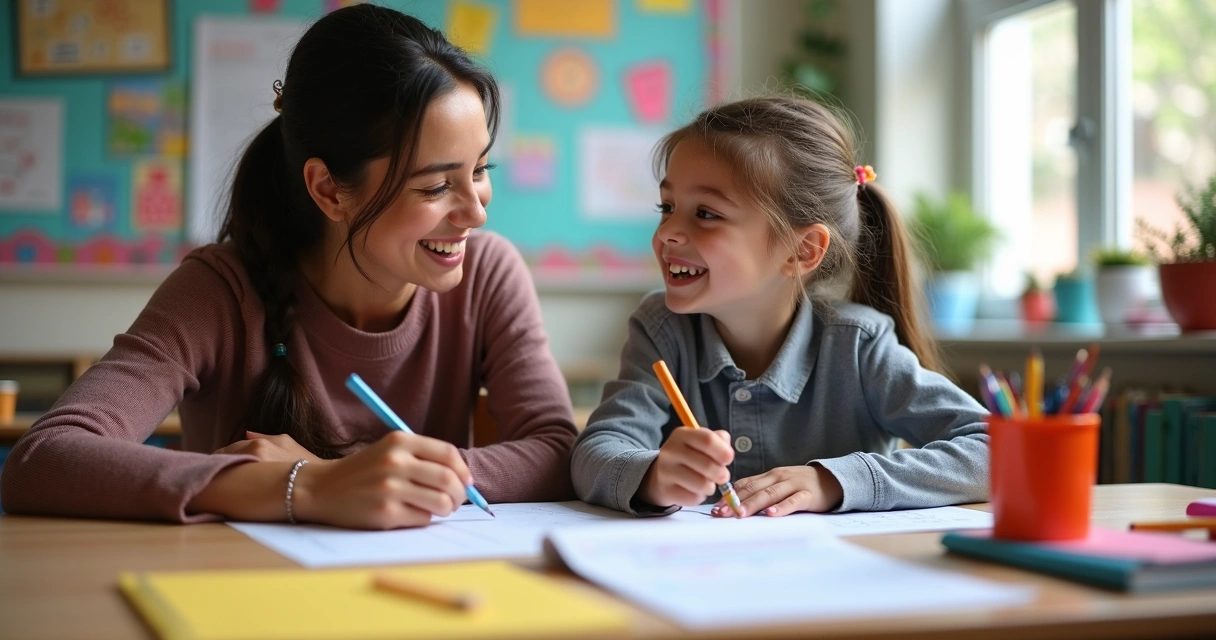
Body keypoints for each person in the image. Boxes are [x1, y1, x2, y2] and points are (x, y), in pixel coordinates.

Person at [1, 4, 577, 529]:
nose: (476, 210)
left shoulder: (490, 274)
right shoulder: (220, 289)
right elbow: (43, 459)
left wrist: (347, 468)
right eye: (435, 186)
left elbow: (556, 449)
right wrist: (302, 486)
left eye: (480, 169)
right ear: (329, 189)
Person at [572, 96, 989, 517]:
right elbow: (593, 454)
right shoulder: (661, 331)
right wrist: (653, 474)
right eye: (667, 207)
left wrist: (834, 481)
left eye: (706, 213)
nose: (667, 234)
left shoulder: (858, 347)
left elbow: (995, 450)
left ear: (802, 250)